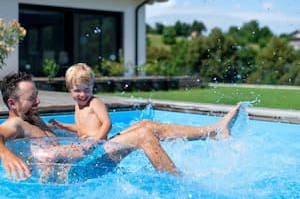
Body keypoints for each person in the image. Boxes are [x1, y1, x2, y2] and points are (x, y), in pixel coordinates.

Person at [0, 69, 240, 182]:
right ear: (12, 103)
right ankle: (181, 185)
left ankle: (213, 131)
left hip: (84, 157)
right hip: (74, 175)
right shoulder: (16, 125)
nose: (38, 101)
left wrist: (64, 129)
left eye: (37, 95)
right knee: (144, 135)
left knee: (147, 123)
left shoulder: (35, 119)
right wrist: (5, 153)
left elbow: (71, 138)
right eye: (32, 98)